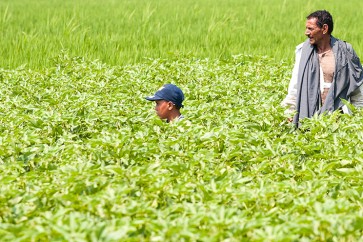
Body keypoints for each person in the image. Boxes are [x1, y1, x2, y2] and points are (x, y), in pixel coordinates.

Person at [281, 10, 363, 126]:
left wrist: (357, 119)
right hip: (310, 118)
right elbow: (295, 87)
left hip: (340, 119)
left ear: (324, 29)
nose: (306, 32)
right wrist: (288, 112)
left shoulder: (345, 51)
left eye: (310, 29)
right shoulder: (302, 52)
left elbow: (357, 89)